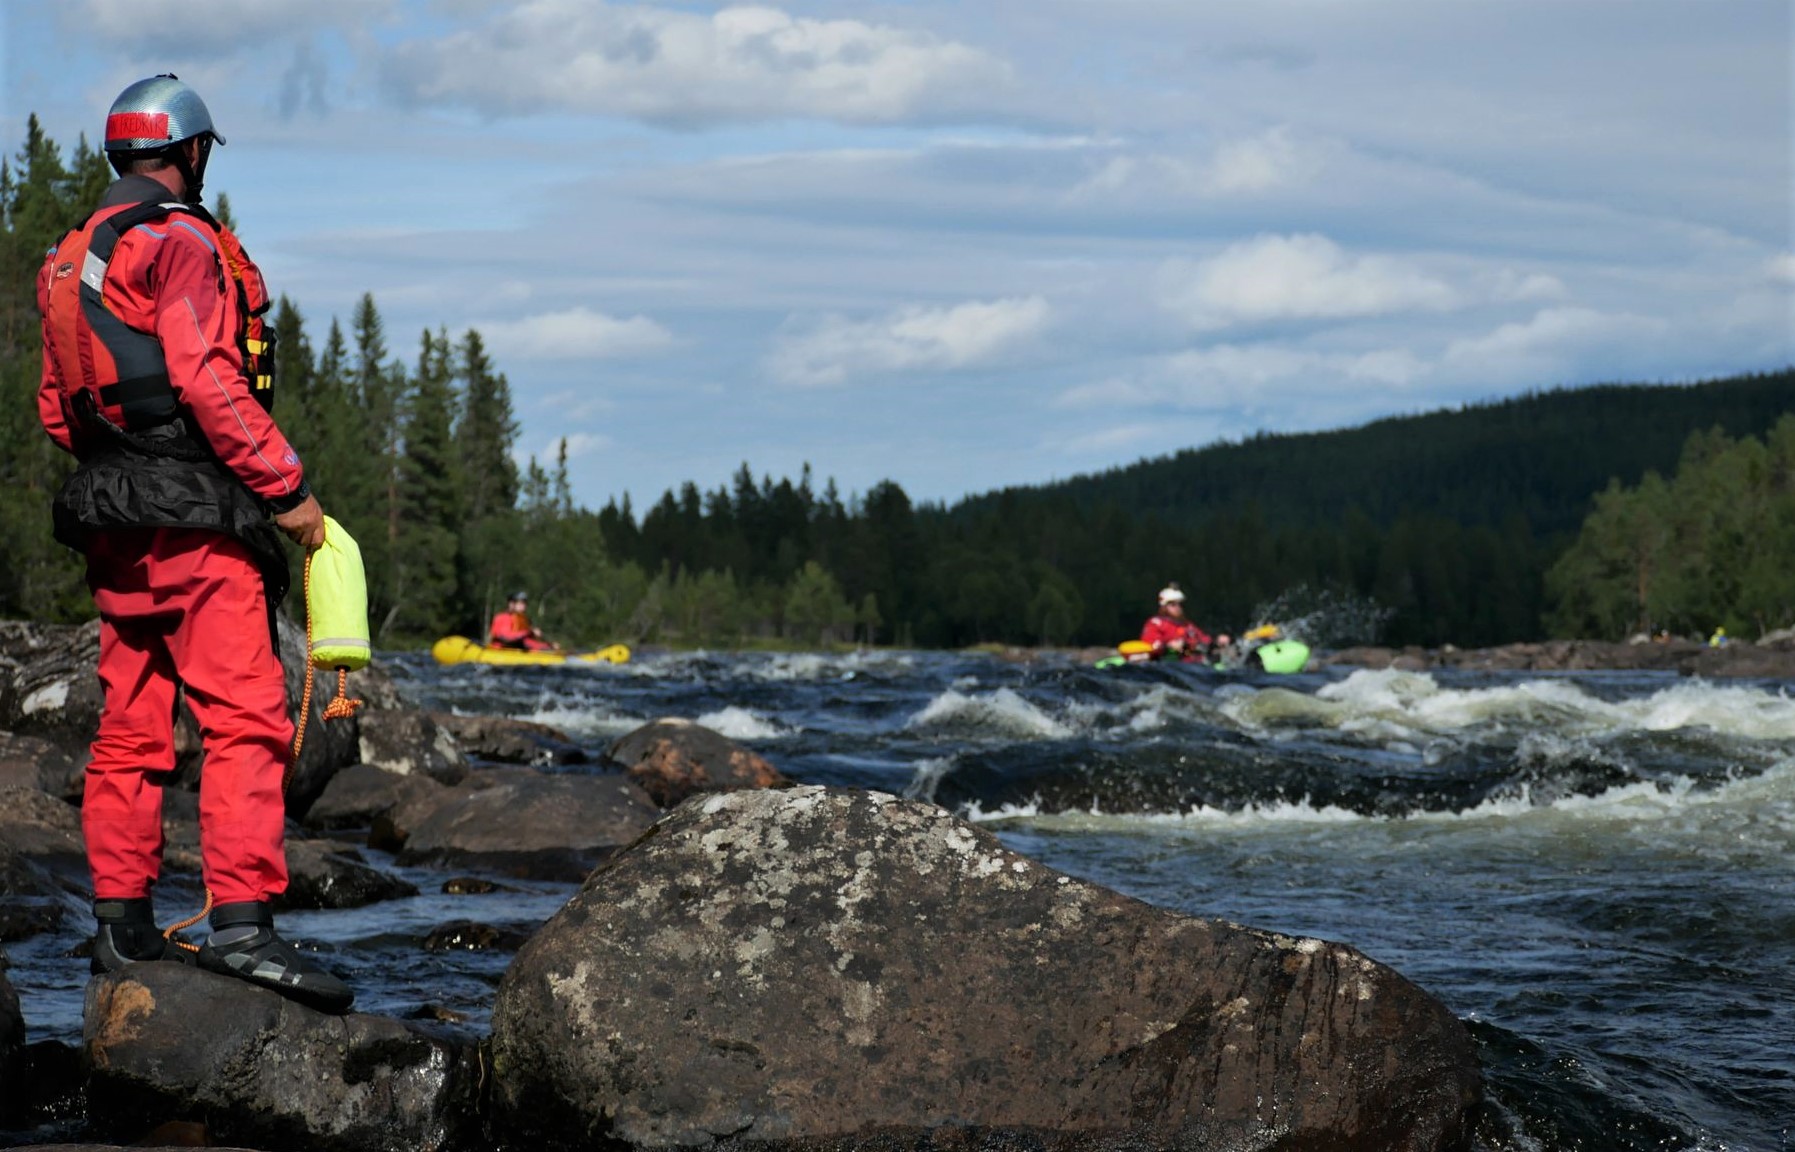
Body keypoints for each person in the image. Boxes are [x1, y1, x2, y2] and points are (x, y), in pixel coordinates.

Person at [37, 75, 352, 1013]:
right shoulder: (180, 243)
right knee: (247, 716)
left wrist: (128, 472)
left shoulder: (67, 259)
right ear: (191, 152)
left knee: (130, 730)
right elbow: (209, 375)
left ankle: (121, 925)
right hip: (197, 520)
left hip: (112, 518)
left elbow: (60, 410)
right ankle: (246, 930)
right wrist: (286, 490)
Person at [1139, 584, 1227, 663]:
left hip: (1188, 664)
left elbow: (1203, 640)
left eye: (1179, 604)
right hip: (1165, 663)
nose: (1178, 608)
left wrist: (1217, 642)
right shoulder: (1155, 623)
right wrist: (1168, 645)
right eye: (1173, 604)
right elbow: (1150, 645)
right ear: (1164, 607)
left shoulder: (1187, 625)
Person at [488, 591, 559, 651]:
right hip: (500, 654)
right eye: (520, 603)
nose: (524, 607)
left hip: (515, 653)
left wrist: (548, 646)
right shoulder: (502, 618)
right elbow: (506, 638)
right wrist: (529, 632)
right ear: (511, 604)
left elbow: (527, 642)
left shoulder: (523, 620)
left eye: (524, 604)